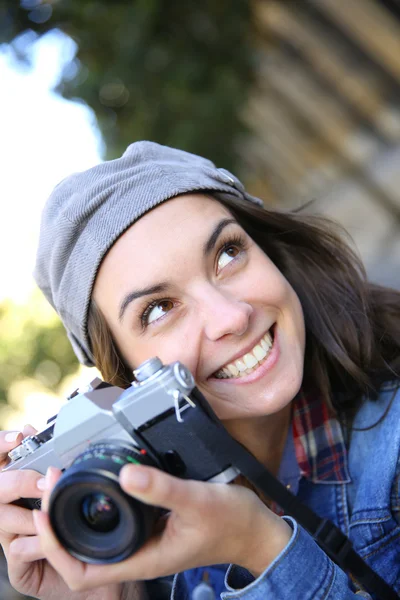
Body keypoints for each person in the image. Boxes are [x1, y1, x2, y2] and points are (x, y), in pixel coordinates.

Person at [1, 141, 399, 600]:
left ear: (269, 251)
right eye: (159, 309)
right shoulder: (143, 537)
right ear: (124, 377)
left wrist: (260, 547)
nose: (230, 317)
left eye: (228, 254)